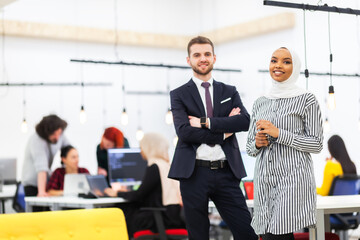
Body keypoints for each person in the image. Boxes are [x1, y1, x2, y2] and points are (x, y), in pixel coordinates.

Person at [168, 36, 257, 240]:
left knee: (246, 233)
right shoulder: (179, 94)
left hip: (226, 172)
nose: (203, 58)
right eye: (197, 55)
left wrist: (204, 122)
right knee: (198, 235)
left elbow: (244, 121)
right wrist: (225, 131)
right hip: (193, 174)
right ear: (188, 60)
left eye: (207, 54)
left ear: (214, 58)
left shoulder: (229, 91)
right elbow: (184, 132)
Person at [246, 47, 323, 240]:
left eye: (286, 61)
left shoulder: (307, 99)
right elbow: (249, 148)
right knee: (267, 233)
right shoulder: (260, 102)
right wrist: (258, 142)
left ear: (294, 67)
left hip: (292, 179)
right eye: (274, 60)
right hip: (264, 180)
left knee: (279, 234)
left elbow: (316, 144)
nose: (278, 65)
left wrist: (279, 133)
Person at [104, 133, 184, 237]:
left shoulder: (154, 167)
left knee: (121, 210)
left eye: (142, 147)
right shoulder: (166, 165)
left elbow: (139, 195)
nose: (141, 151)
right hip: (172, 216)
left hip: (160, 218)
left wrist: (117, 193)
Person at [22, 114, 70, 199]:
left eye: (59, 133)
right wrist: (41, 192)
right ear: (47, 133)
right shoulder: (37, 140)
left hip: (46, 181)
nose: (57, 137)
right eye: (54, 135)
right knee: (37, 209)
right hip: (32, 183)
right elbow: (42, 167)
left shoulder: (59, 134)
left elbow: (69, 149)